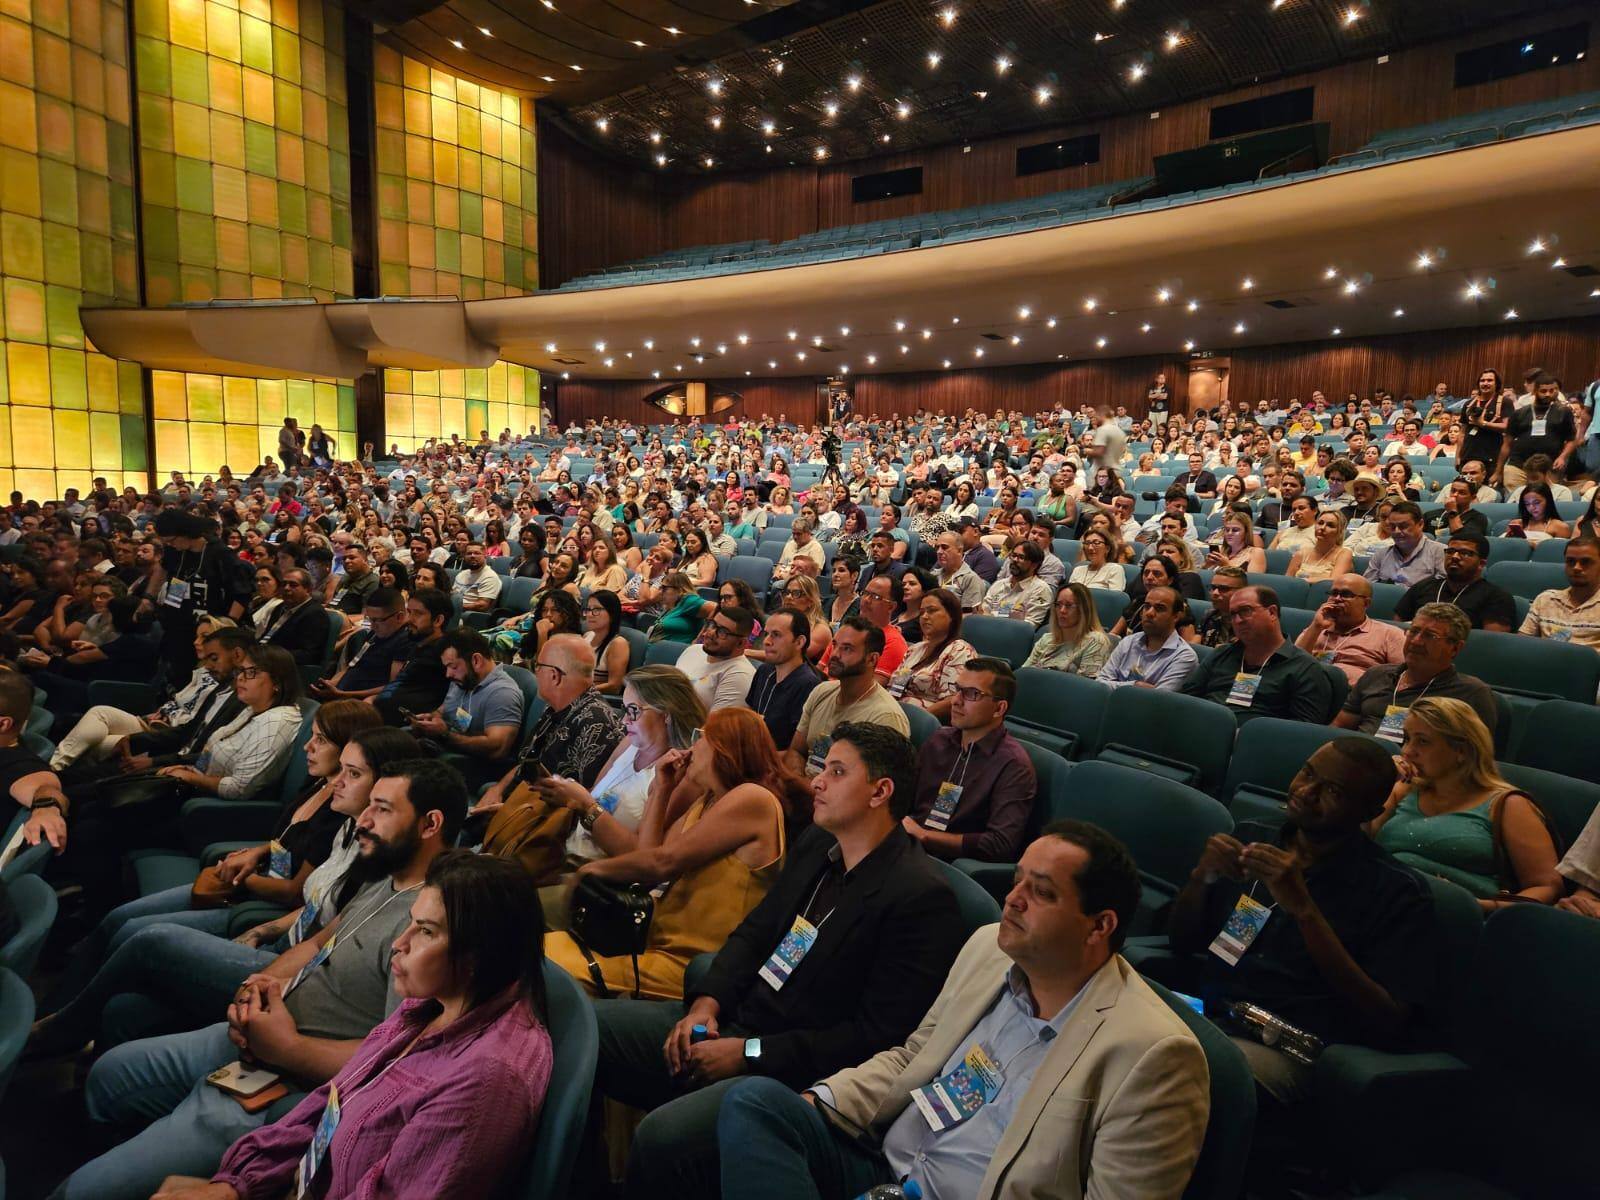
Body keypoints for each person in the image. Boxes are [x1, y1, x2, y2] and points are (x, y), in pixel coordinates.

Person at [715, 821, 1210, 1200]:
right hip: (885, 1168)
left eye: (1041, 892)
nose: (1012, 900)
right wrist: (820, 1102)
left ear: (1099, 926)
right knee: (756, 1102)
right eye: (1017, 882)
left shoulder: (1153, 1054)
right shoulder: (987, 950)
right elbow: (913, 1056)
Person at [49, 757, 469, 1200]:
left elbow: (387, 1063)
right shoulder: (387, 874)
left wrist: (287, 1048)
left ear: (430, 824)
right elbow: (315, 943)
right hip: (259, 1036)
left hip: (291, 1084)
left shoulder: (427, 926)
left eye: (382, 809)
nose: (363, 820)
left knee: (80, 1191)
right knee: (108, 1076)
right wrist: (256, 989)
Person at [591, 724, 965, 1199]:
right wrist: (706, 1006)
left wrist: (747, 1054)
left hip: (784, 1076)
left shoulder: (919, 899)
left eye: (836, 771)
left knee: (663, 1138)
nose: (816, 781)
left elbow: (872, 1040)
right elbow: (754, 933)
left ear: (880, 792)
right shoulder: (817, 844)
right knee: (583, 1030)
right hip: (729, 1021)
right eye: (823, 767)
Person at [176, 853, 554, 1199]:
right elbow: (331, 1103)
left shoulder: (485, 1082)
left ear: (478, 954)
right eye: (410, 924)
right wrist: (236, 1185)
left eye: (425, 931)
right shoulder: (429, 1007)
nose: (399, 944)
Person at [1164, 739, 1435, 1104]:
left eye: (1333, 791)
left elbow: (1388, 1018)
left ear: (1368, 811)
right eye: (1307, 773)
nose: (1307, 792)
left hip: (1293, 1051)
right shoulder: (1253, 836)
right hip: (1208, 1017)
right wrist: (1202, 876)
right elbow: (1182, 942)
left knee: (1177, 1077)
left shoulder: (1395, 891)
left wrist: (1305, 911)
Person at [545, 707, 803, 1000]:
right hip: (654, 939)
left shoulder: (753, 799)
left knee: (546, 961)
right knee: (540, 948)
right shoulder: (708, 801)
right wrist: (663, 790)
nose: (692, 748)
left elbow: (661, 864)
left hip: (691, 962)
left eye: (702, 737)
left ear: (723, 746)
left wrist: (592, 870)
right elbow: (650, 853)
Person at [1371, 698, 1562, 908]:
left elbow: (1547, 887)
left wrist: (1475, 906)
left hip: (1457, 919)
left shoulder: (1507, 804)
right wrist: (1378, 782)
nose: (1407, 751)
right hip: (1380, 901)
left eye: (1423, 741)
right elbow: (1359, 843)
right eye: (1407, 739)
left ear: (1461, 750)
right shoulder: (1404, 789)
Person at [904, 659, 1035, 863]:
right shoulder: (939, 740)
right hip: (906, 844)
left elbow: (1000, 843)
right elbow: (904, 796)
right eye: (957, 690)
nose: (956, 701)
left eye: (972, 694)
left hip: (947, 865)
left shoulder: (1012, 765)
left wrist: (926, 836)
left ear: (999, 709)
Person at [1334, 602, 1498, 740]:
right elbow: (1339, 727)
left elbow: (1474, 758)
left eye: (1430, 636)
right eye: (1414, 631)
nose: (1416, 641)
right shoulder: (1377, 674)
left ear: (1455, 648)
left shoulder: (1472, 693)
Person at [1181, 585, 1336, 724]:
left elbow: (1301, 731)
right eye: (1233, 615)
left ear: (1272, 612)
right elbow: (1186, 699)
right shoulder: (1221, 654)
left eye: (1245, 611)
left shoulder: (1305, 668)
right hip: (1201, 732)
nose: (1237, 620)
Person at [790, 618, 911, 775]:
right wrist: (796, 780)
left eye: (847, 649)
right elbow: (796, 751)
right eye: (834, 645)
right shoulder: (821, 691)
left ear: (872, 659)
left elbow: (867, 789)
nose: (834, 654)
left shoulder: (886, 717)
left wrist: (800, 786)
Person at [406, 629, 524, 783]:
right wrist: (432, 718)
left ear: (476, 660)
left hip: (471, 767)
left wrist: (444, 735)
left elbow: (498, 749)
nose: (448, 674)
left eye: (453, 667)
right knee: (394, 742)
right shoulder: (464, 680)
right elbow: (442, 711)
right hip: (445, 751)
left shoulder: (502, 693)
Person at [1293, 573, 1406, 686]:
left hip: (1355, 698)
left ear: (1366, 603)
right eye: (1334, 593)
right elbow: (1293, 664)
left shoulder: (1390, 634)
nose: (1337, 599)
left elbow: (1404, 677)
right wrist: (1316, 626)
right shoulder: (1317, 627)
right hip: (1307, 689)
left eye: (1346, 594)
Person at [1393, 532, 1517, 632]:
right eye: (1450, 551)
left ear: (1481, 563)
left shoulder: (1497, 597)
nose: (1455, 557)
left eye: (1465, 553)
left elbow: (1489, 645)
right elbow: (1397, 628)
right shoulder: (1424, 586)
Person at [307, 587, 414, 702]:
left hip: (358, 702)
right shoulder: (374, 634)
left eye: (377, 620)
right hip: (340, 694)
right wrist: (331, 684)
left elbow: (391, 687)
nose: (372, 626)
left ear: (399, 617)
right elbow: (352, 665)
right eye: (370, 619)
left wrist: (343, 694)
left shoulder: (405, 641)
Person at [888, 588, 976, 721]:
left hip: (927, 724)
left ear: (951, 615)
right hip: (896, 714)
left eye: (932, 611)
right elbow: (896, 688)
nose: (924, 616)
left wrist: (916, 721)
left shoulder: (959, 650)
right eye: (922, 612)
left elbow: (952, 701)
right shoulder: (915, 650)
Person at [746, 607, 823, 750]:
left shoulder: (808, 685)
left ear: (799, 642)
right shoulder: (764, 671)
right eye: (766, 634)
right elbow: (749, 714)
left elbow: (796, 752)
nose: (766, 642)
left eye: (776, 635)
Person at [1097, 585, 1197, 691]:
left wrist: (1116, 686)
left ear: (1176, 616)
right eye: (1147, 606)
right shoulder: (1128, 642)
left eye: (1160, 608)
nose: (1149, 613)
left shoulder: (1184, 656)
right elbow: (1100, 683)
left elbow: (1157, 700)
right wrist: (1135, 685)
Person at [1494, 371, 1580, 489]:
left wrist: (1562, 457)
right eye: (1543, 391)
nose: (1548, 394)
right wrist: (1498, 471)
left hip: (1550, 467)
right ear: (1535, 392)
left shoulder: (1564, 412)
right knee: (1514, 500)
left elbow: (1571, 439)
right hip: (1518, 465)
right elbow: (1507, 444)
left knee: (1545, 500)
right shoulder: (1519, 413)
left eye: (1552, 390)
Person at [1517, 534, 1600, 655]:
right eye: (1570, 561)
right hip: (1542, 668)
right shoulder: (1546, 599)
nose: (1576, 567)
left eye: (1585, 562)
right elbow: (1520, 645)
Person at [676, 604, 760, 711]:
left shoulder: (740, 675)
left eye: (722, 632)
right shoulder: (694, 650)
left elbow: (717, 726)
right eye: (713, 625)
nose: (711, 633)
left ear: (740, 643)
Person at [1023, 581, 1113, 676]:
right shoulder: (1046, 639)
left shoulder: (1095, 641)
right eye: (1058, 605)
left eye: (1069, 605)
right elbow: (1025, 673)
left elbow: (1085, 685)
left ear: (1083, 610)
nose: (1062, 610)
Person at [254, 567, 329, 664]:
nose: (286, 588)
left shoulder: (314, 614)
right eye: (284, 584)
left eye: (293, 585)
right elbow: (267, 637)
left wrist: (270, 655)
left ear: (308, 589)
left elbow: (309, 654)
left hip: (283, 666)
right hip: (264, 655)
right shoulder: (280, 607)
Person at [1362, 502, 1445, 587]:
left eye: (1403, 526)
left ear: (1420, 524)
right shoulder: (1380, 555)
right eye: (1393, 526)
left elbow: (1441, 591)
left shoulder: (1440, 552)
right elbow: (1366, 588)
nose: (1396, 531)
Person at [979, 539, 1053, 624]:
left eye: (1021, 557)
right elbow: (983, 613)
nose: (1015, 560)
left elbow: (1029, 626)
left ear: (1034, 565)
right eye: (1013, 555)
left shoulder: (1041, 590)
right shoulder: (999, 584)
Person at [1285, 508, 1354, 583]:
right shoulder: (1301, 553)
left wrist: (1302, 581)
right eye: (1320, 523)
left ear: (1339, 532)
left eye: (1330, 525)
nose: (1322, 528)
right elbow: (1287, 581)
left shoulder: (1344, 553)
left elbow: (1335, 579)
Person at [1190, 566, 1246, 648]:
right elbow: (1197, 640)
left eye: (1224, 588)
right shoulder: (1210, 614)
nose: (1215, 593)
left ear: (1242, 591)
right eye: (1213, 588)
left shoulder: (1249, 621)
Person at [932, 530, 987, 611]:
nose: (939, 552)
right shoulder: (933, 576)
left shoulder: (970, 579)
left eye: (944, 547)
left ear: (959, 551)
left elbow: (968, 617)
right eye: (937, 547)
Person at [450, 541, 502, 612]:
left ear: (485, 555)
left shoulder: (490, 577)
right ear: (464, 556)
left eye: (477, 553)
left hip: (468, 616)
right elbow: (453, 595)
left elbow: (482, 606)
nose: (472, 556)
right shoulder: (462, 574)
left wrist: (455, 606)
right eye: (469, 553)